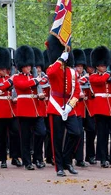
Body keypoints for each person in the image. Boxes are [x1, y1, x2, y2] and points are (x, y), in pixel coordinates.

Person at [45, 34, 81, 177]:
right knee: (57, 139)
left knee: (76, 133)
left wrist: (70, 106)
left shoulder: (72, 72)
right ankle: (59, 166)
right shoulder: (53, 68)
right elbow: (50, 73)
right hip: (55, 106)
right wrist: (60, 59)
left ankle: (67, 160)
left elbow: (77, 91)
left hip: (68, 107)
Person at [13, 46, 46, 170]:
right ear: (21, 66)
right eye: (26, 66)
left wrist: (41, 95)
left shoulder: (34, 77)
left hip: (37, 109)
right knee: (25, 137)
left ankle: (38, 158)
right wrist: (35, 81)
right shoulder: (16, 77)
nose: (29, 68)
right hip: (24, 110)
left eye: (29, 66)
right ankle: (27, 162)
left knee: (41, 133)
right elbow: (22, 85)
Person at [89, 46, 111, 168]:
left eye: (104, 65)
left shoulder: (109, 77)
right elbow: (99, 81)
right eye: (101, 65)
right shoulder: (93, 77)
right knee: (102, 134)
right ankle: (103, 158)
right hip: (100, 108)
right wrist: (109, 77)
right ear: (97, 66)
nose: (103, 67)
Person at [0, 47, 21, 169]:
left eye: (5, 68)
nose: (4, 71)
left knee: (15, 133)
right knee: (1, 136)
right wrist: (10, 81)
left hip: (11, 109)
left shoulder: (10, 77)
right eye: (2, 69)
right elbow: (0, 89)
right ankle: (2, 159)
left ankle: (14, 157)